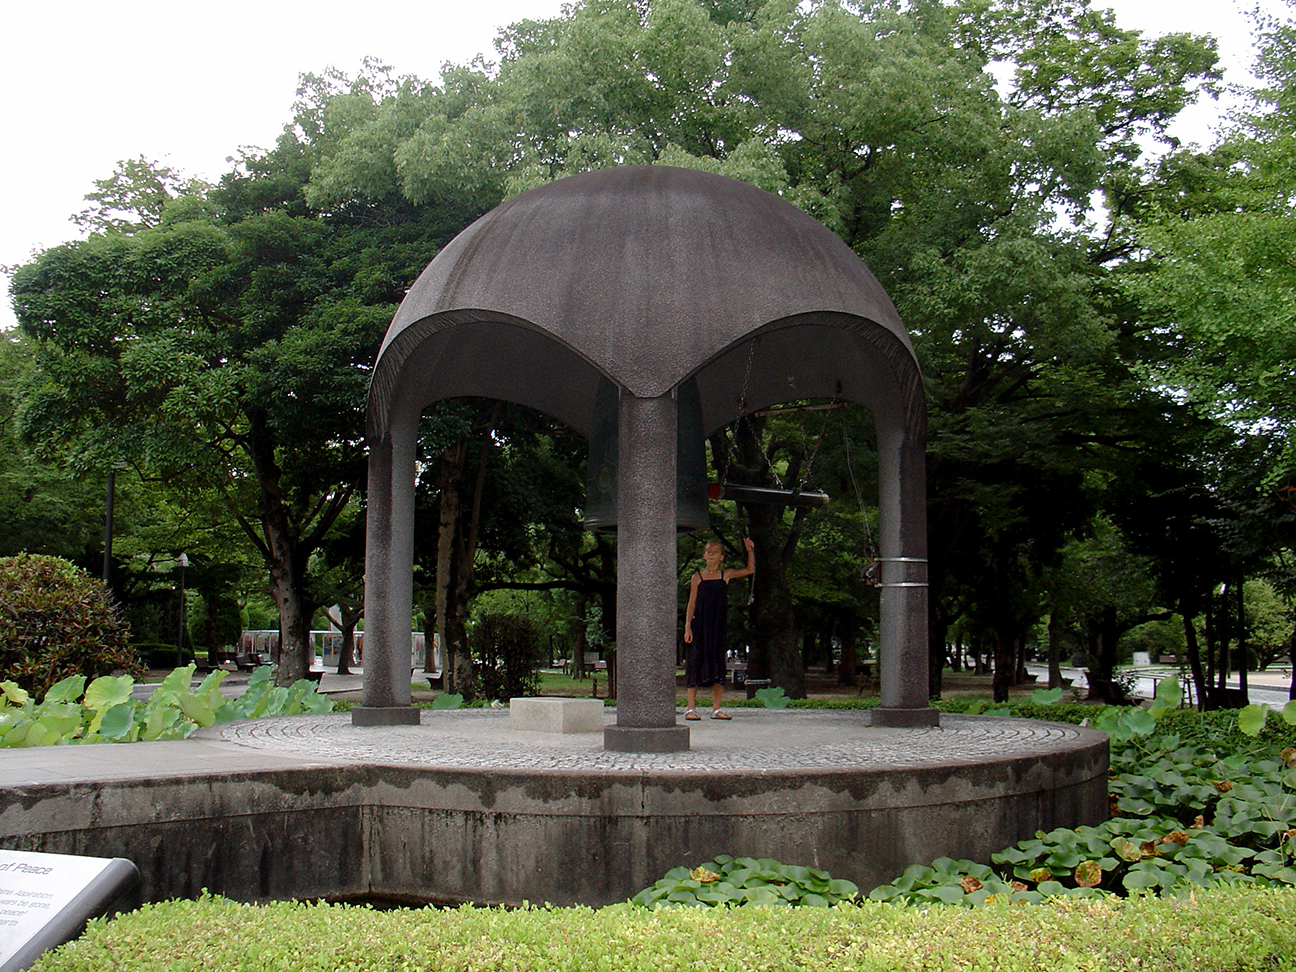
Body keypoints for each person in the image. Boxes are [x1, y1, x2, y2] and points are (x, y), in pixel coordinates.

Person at [683, 537, 755, 720]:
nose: (711, 554)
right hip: (700, 626)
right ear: (703, 556)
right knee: (695, 662)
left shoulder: (726, 575)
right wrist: (687, 626)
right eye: (708, 551)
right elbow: (691, 603)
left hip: (718, 625)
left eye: (716, 552)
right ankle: (691, 708)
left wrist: (750, 551)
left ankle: (716, 708)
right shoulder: (697, 578)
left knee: (717, 662)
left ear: (721, 557)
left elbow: (750, 570)